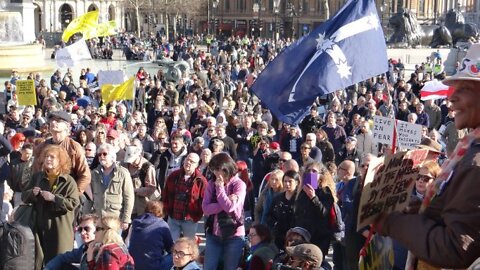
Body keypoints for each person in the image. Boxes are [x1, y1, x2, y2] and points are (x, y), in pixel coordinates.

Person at [375, 45, 480, 268]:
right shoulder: (470, 150)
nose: (451, 98)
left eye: (464, 88)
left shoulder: (476, 163)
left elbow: (456, 248)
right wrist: (424, 210)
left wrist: (391, 222)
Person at [22, 145, 80, 267]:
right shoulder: (37, 177)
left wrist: (54, 198)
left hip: (59, 229)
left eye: (52, 157)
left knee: (58, 263)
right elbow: (24, 196)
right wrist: (32, 193)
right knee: (37, 262)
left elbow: (73, 203)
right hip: (38, 228)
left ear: (60, 161)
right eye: (46, 156)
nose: (48, 159)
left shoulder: (69, 181)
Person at [202, 152, 246, 270]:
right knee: (209, 267)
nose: (215, 173)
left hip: (234, 235)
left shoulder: (239, 184)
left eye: (218, 169)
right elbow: (205, 208)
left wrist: (220, 188)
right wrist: (224, 201)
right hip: (214, 234)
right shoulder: (212, 183)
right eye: (213, 170)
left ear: (227, 168)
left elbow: (230, 208)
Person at [294, 161, 335, 261]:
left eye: (314, 171)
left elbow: (324, 213)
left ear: (320, 176)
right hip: (303, 235)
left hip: (319, 236)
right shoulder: (302, 191)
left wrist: (313, 197)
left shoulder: (325, 191)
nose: (311, 173)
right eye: (308, 171)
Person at [162, 152, 208, 240]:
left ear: (197, 165)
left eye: (192, 161)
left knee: (188, 246)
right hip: (173, 217)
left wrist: (196, 216)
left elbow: (204, 200)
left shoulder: (201, 180)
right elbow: (166, 194)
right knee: (171, 245)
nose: (188, 163)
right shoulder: (174, 176)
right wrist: (167, 209)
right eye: (187, 159)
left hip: (190, 220)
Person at [90, 143, 135, 231]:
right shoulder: (94, 173)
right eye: (99, 154)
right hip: (98, 219)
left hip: (115, 220)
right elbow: (90, 197)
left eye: (104, 154)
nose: (101, 156)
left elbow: (129, 198)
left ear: (112, 156)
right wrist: (87, 216)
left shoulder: (123, 173)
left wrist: (126, 219)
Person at [128, 201, 174, 270]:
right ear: (161, 212)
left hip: (133, 265)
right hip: (153, 267)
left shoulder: (136, 222)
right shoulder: (162, 225)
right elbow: (170, 247)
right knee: (175, 254)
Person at [267, 170, 300, 249]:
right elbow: (270, 215)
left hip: (295, 238)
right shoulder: (278, 198)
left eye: (290, 181)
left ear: (296, 183)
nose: (287, 184)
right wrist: (273, 227)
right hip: (279, 236)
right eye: (285, 181)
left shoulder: (300, 199)